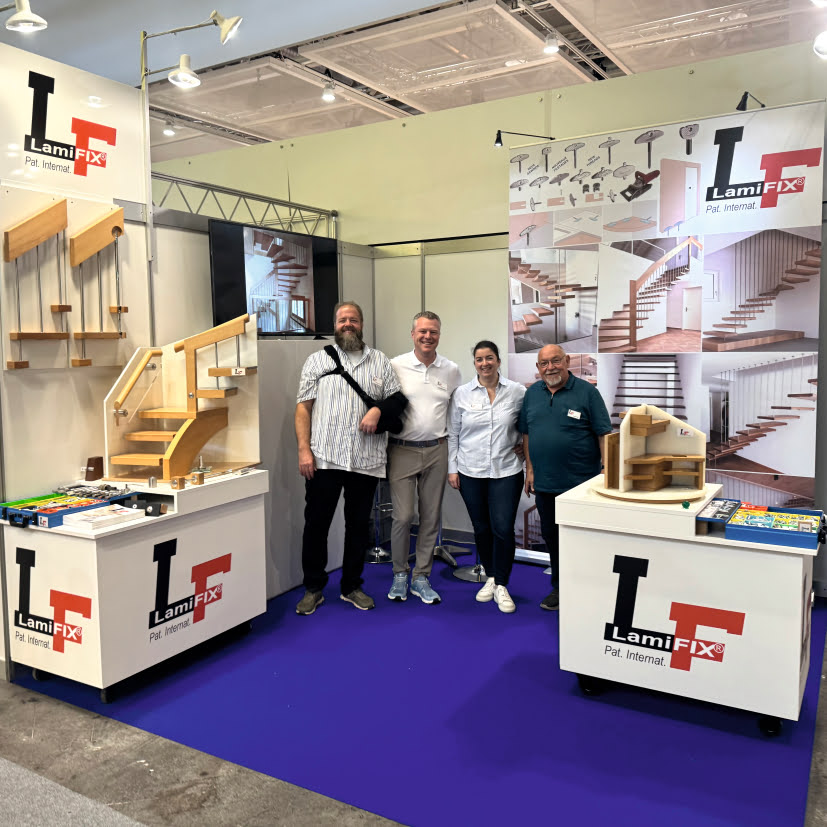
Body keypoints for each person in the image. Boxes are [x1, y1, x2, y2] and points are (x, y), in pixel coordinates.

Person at [294, 301, 402, 615]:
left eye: (353, 319)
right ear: (335, 325)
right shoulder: (317, 360)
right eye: (342, 320)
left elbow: (397, 400)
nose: (348, 324)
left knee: (358, 527)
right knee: (316, 525)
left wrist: (378, 409)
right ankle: (313, 588)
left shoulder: (379, 361)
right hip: (324, 458)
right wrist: (304, 450)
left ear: (362, 324)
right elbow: (303, 408)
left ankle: (352, 586)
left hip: (366, 460)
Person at [519, 344, 612, 611]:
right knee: (552, 538)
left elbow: (603, 434)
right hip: (545, 483)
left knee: (583, 539)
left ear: (567, 361)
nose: (550, 368)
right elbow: (527, 433)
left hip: (581, 485)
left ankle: (591, 588)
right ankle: (560, 588)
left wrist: (606, 470)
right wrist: (530, 470)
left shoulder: (587, 392)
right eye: (544, 363)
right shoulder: (532, 394)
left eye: (556, 361)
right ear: (538, 368)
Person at [387, 311, 462, 604]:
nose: (427, 337)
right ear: (413, 334)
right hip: (402, 449)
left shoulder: (451, 370)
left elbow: (457, 412)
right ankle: (400, 573)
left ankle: (421, 577)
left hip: (437, 450)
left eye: (433, 332)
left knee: (430, 517)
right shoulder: (396, 365)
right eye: (422, 331)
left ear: (439, 335)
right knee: (403, 516)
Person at [447, 341, 526, 613]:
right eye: (479, 359)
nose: (484, 363)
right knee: (481, 527)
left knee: (502, 528)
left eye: (489, 358)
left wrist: (523, 447)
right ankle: (491, 577)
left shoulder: (517, 392)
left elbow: (527, 426)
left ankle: (502, 583)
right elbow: (453, 433)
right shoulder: (461, 394)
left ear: (498, 361)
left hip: (506, 470)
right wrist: (452, 468)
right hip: (470, 470)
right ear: (475, 363)